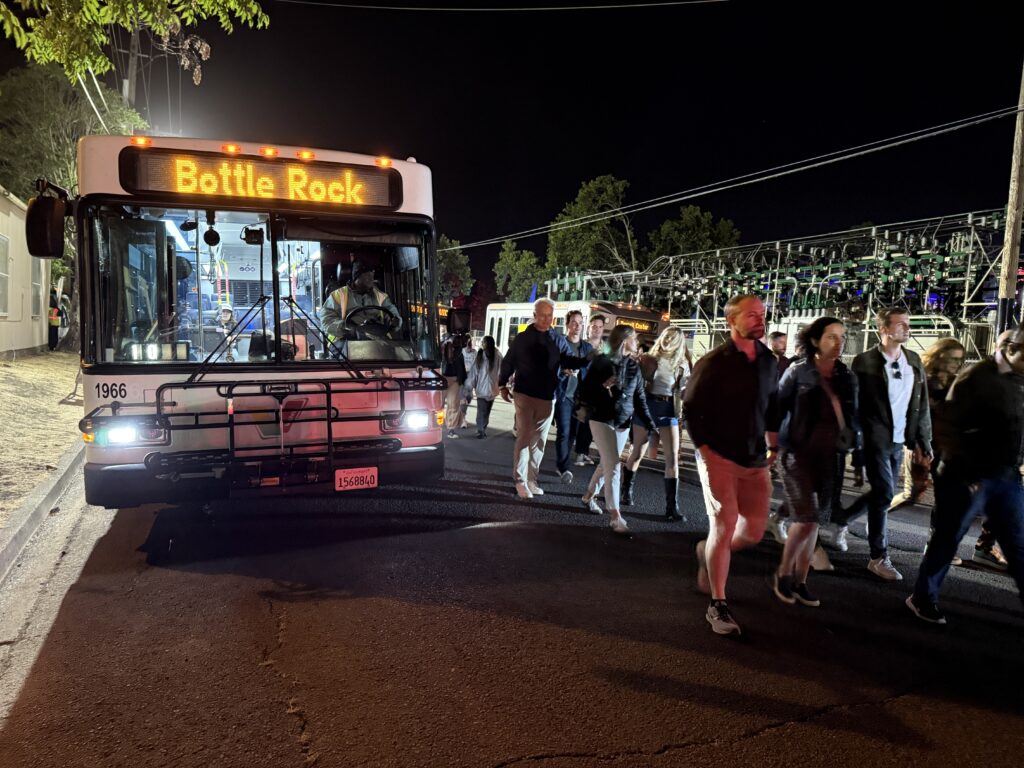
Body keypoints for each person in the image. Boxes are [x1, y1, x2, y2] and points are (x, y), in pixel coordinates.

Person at [906, 325, 1024, 625]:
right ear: (1013, 349)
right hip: (966, 476)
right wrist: (968, 471)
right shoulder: (978, 376)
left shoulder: (1017, 379)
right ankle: (922, 598)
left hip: (1004, 475)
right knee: (947, 539)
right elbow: (948, 426)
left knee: (1018, 544)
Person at [683, 294, 781, 636]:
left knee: (753, 531)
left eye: (762, 314)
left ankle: (707, 553)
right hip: (719, 457)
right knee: (724, 525)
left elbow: (773, 406)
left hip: (755, 459)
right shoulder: (714, 363)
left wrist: (773, 444)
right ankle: (718, 604)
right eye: (752, 314)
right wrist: (706, 451)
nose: (760, 319)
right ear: (732, 321)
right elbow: (691, 410)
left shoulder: (770, 361)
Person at [828, 308, 932, 581]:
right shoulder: (866, 361)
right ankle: (878, 556)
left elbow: (921, 405)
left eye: (908, 325)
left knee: (881, 493)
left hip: (900, 440)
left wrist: (923, 439)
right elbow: (856, 404)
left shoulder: (913, 360)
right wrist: (856, 439)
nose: (907, 330)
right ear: (884, 329)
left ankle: (842, 519)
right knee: (885, 492)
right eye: (901, 325)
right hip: (875, 439)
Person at [773, 318, 860, 608]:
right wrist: (772, 447)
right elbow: (775, 409)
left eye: (842, 337)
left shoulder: (846, 376)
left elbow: (854, 418)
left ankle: (801, 580)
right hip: (796, 454)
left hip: (830, 457)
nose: (839, 342)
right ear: (815, 341)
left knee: (814, 524)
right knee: (806, 517)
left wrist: (857, 457)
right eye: (832, 336)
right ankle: (783, 574)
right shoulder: (798, 372)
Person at [498, 298, 592, 499]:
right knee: (524, 436)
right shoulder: (523, 338)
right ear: (534, 315)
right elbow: (508, 361)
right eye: (542, 315)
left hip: (548, 396)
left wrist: (586, 360)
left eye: (550, 315)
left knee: (539, 441)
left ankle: (532, 479)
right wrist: (502, 385)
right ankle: (520, 480)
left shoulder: (556, 339)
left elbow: (568, 359)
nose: (546, 319)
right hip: (524, 394)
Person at [577, 324, 655, 534]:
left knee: (607, 464)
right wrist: (602, 388)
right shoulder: (601, 363)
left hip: (622, 422)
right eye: (634, 338)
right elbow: (584, 390)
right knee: (613, 466)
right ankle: (616, 516)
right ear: (623, 340)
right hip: (601, 418)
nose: (637, 342)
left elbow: (639, 398)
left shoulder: (633, 366)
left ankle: (588, 496)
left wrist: (650, 423)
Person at [621, 325, 692, 521]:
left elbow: (684, 390)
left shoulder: (682, 363)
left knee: (672, 459)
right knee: (637, 452)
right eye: (666, 336)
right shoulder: (649, 359)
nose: (667, 340)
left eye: (672, 338)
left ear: (679, 342)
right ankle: (626, 492)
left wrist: (689, 391)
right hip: (648, 406)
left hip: (669, 409)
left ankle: (672, 507)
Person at [553, 310, 593, 484]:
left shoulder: (587, 348)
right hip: (563, 395)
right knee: (563, 431)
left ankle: (562, 462)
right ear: (567, 324)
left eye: (580, 323)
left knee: (572, 434)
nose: (577, 326)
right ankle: (564, 468)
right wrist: (562, 371)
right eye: (574, 323)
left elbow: (591, 372)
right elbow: (551, 366)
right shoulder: (560, 343)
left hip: (580, 397)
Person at [319, 261, 401, 344]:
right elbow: (326, 321)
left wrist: (395, 321)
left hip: (377, 341)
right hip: (344, 340)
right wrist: (347, 328)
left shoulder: (381, 296)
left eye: (372, 275)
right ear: (356, 277)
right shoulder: (337, 295)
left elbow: (392, 312)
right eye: (367, 275)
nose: (371, 279)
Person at [574, 314, 607, 467]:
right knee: (583, 422)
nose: (597, 330)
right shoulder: (583, 346)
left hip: (600, 391)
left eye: (600, 327)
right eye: (594, 326)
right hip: (583, 389)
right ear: (589, 327)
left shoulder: (606, 347)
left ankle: (584, 452)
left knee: (593, 423)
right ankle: (580, 453)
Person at [468, 336, 502, 438]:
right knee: (482, 410)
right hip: (482, 389)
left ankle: (483, 428)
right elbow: (474, 373)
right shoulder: (480, 355)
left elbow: (501, 371)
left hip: (492, 389)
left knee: (486, 411)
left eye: (484, 342)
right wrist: (470, 386)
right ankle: (480, 430)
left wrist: (502, 383)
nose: (482, 343)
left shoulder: (497, 356)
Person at [440, 331, 469, 438]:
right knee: (438, 405)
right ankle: (434, 427)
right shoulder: (441, 348)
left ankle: (451, 429)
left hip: (453, 379)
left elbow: (461, 366)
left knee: (453, 405)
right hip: (441, 378)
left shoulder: (458, 351)